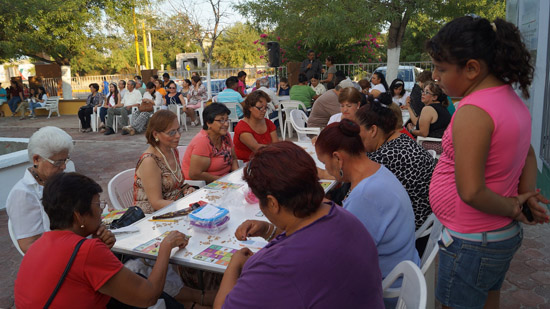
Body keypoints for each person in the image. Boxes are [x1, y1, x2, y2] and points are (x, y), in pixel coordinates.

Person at [427, 16, 549, 309]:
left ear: (472, 68)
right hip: (495, 237)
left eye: (441, 68)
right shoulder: (509, 99)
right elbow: (529, 153)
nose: (435, 76)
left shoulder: (474, 111)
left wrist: (515, 206)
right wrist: (527, 193)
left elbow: (470, 191)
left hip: (471, 240)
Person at [213, 142, 384, 308]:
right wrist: (268, 230)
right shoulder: (341, 214)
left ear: (272, 203)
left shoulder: (276, 268)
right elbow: (307, 243)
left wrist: (234, 264)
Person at [15, 172, 189, 308]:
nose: (102, 212)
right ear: (79, 216)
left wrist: (100, 247)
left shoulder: (39, 244)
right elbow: (149, 296)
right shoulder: (86, 250)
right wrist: (165, 248)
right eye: (98, 205)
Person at [315, 120, 420, 286]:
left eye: (324, 162)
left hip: (388, 285)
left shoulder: (365, 195)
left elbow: (343, 259)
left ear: (337, 158)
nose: (326, 168)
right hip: (404, 266)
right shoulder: (376, 170)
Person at [356, 93, 436, 253]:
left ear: (372, 130)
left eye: (358, 131)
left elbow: (356, 191)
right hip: (426, 221)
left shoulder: (384, 156)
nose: (356, 137)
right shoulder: (402, 139)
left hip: (411, 233)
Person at [6, 126, 73, 253]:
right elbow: (30, 245)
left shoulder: (57, 179)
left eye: (66, 160)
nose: (64, 166)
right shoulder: (23, 194)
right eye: (58, 162)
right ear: (36, 159)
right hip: (58, 258)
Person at [134, 110, 195, 214]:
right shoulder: (150, 161)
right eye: (172, 132)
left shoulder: (172, 150)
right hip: (152, 216)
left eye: (178, 130)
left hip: (174, 207)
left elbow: (176, 184)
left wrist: (188, 189)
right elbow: (156, 203)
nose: (178, 135)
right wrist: (186, 205)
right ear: (155, 134)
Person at [182, 103, 239, 183]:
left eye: (227, 120)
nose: (226, 124)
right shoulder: (202, 142)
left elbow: (233, 159)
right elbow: (195, 174)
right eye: (221, 120)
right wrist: (223, 181)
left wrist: (237, 177)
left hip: (226, 180)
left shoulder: (225, 136)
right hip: (204, 185)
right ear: (208, 123)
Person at [234, 91, 278, 162]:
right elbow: (256, 148)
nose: (264, 111)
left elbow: (276, 144)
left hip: (266, 160)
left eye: (265, 107)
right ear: (250, 108)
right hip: (248, 164)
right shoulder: (242, 127)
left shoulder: (268, 123)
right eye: (260, 108)